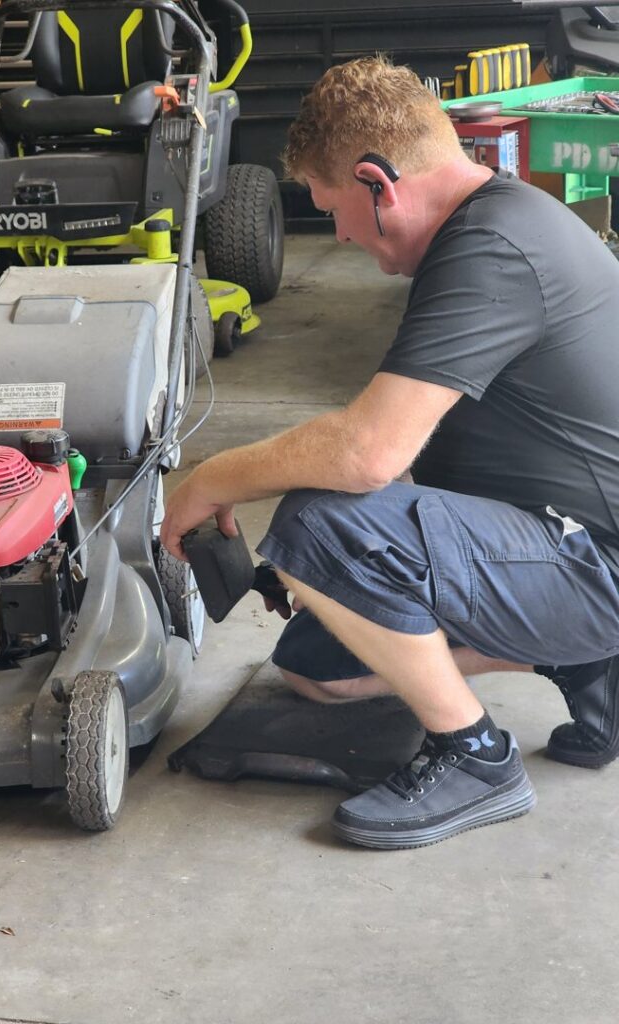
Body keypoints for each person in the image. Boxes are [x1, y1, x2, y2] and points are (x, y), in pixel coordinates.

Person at [161, 56, 619, 850]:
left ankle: (478, 758)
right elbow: (409, 442)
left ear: (380, 182)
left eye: (333, 208)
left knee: (316, 523)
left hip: (594, 561)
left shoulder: (495, 249)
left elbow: (367, 453)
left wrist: (210, 477)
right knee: (318, 667)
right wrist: (335, 582)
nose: (336, 233)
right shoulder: (488, 230)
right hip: (561, 537)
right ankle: (581, 662)